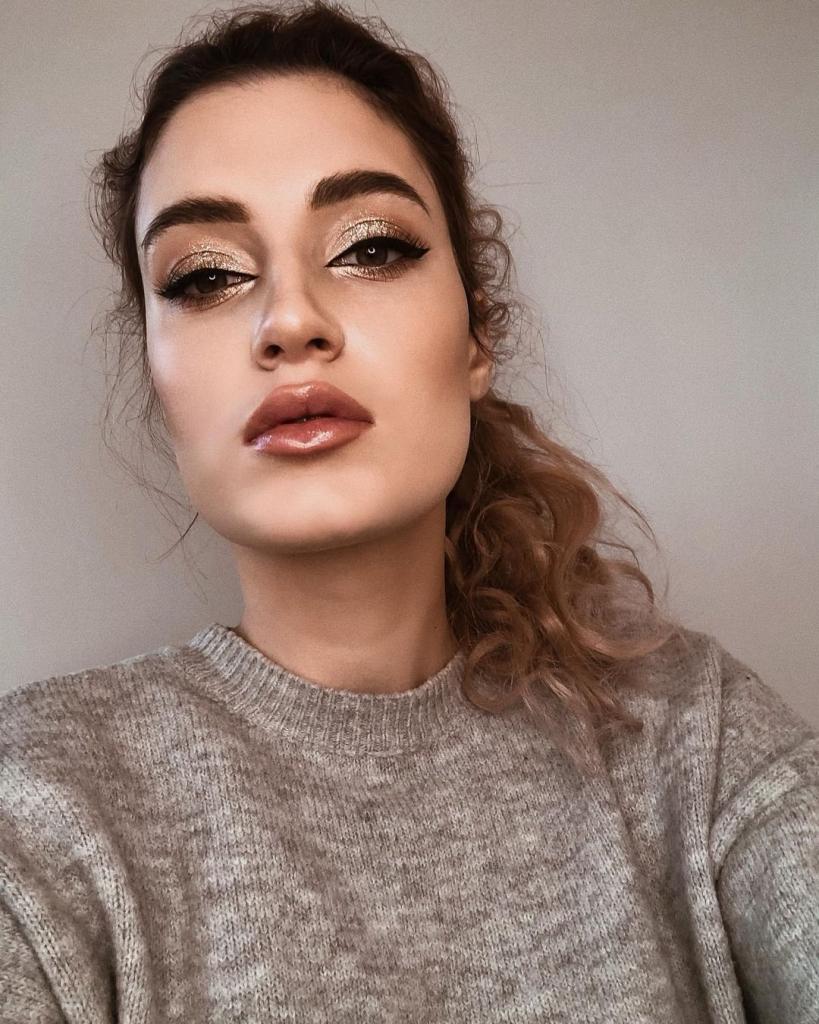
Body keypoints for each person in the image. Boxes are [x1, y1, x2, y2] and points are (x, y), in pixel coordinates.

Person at [1, 2, 816, 1021]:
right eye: (205, 276)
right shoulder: (36, 807)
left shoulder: (694, 734)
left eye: (371, 248)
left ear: (475, 339)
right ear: (162, 389)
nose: (289, 321)